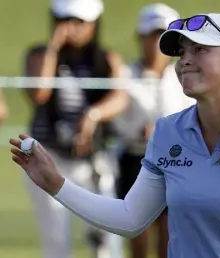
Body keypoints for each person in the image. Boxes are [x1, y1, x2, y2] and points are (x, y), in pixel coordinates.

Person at [11, 13, 220, 258]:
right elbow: (131, 217)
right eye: (182, 52)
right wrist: (57, 184)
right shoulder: (168, 132)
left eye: (200, 49)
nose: (184, 60)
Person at [22, 0, 127, 257]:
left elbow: (121, 97)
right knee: (57, 239)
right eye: (64, 20)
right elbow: (39, 92)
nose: (72, 28)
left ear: (94, 23)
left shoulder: (106, 58)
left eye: (80, 22)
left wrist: (93, 115)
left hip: (92, 162)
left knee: (105, 239)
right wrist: (54, 46)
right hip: (50, 158)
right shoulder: (40, 54)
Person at [115, 4, 195, 258]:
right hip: (134, 159)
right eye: (152, 35)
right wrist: (137, 132)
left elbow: (193, 117)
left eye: (162, 36)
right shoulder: (126, 74)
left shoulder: (184, 76)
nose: (156, 43)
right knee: (136, 229)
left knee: (169, 232)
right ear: (141, 37)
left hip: (175, 161)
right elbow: (116, 119)